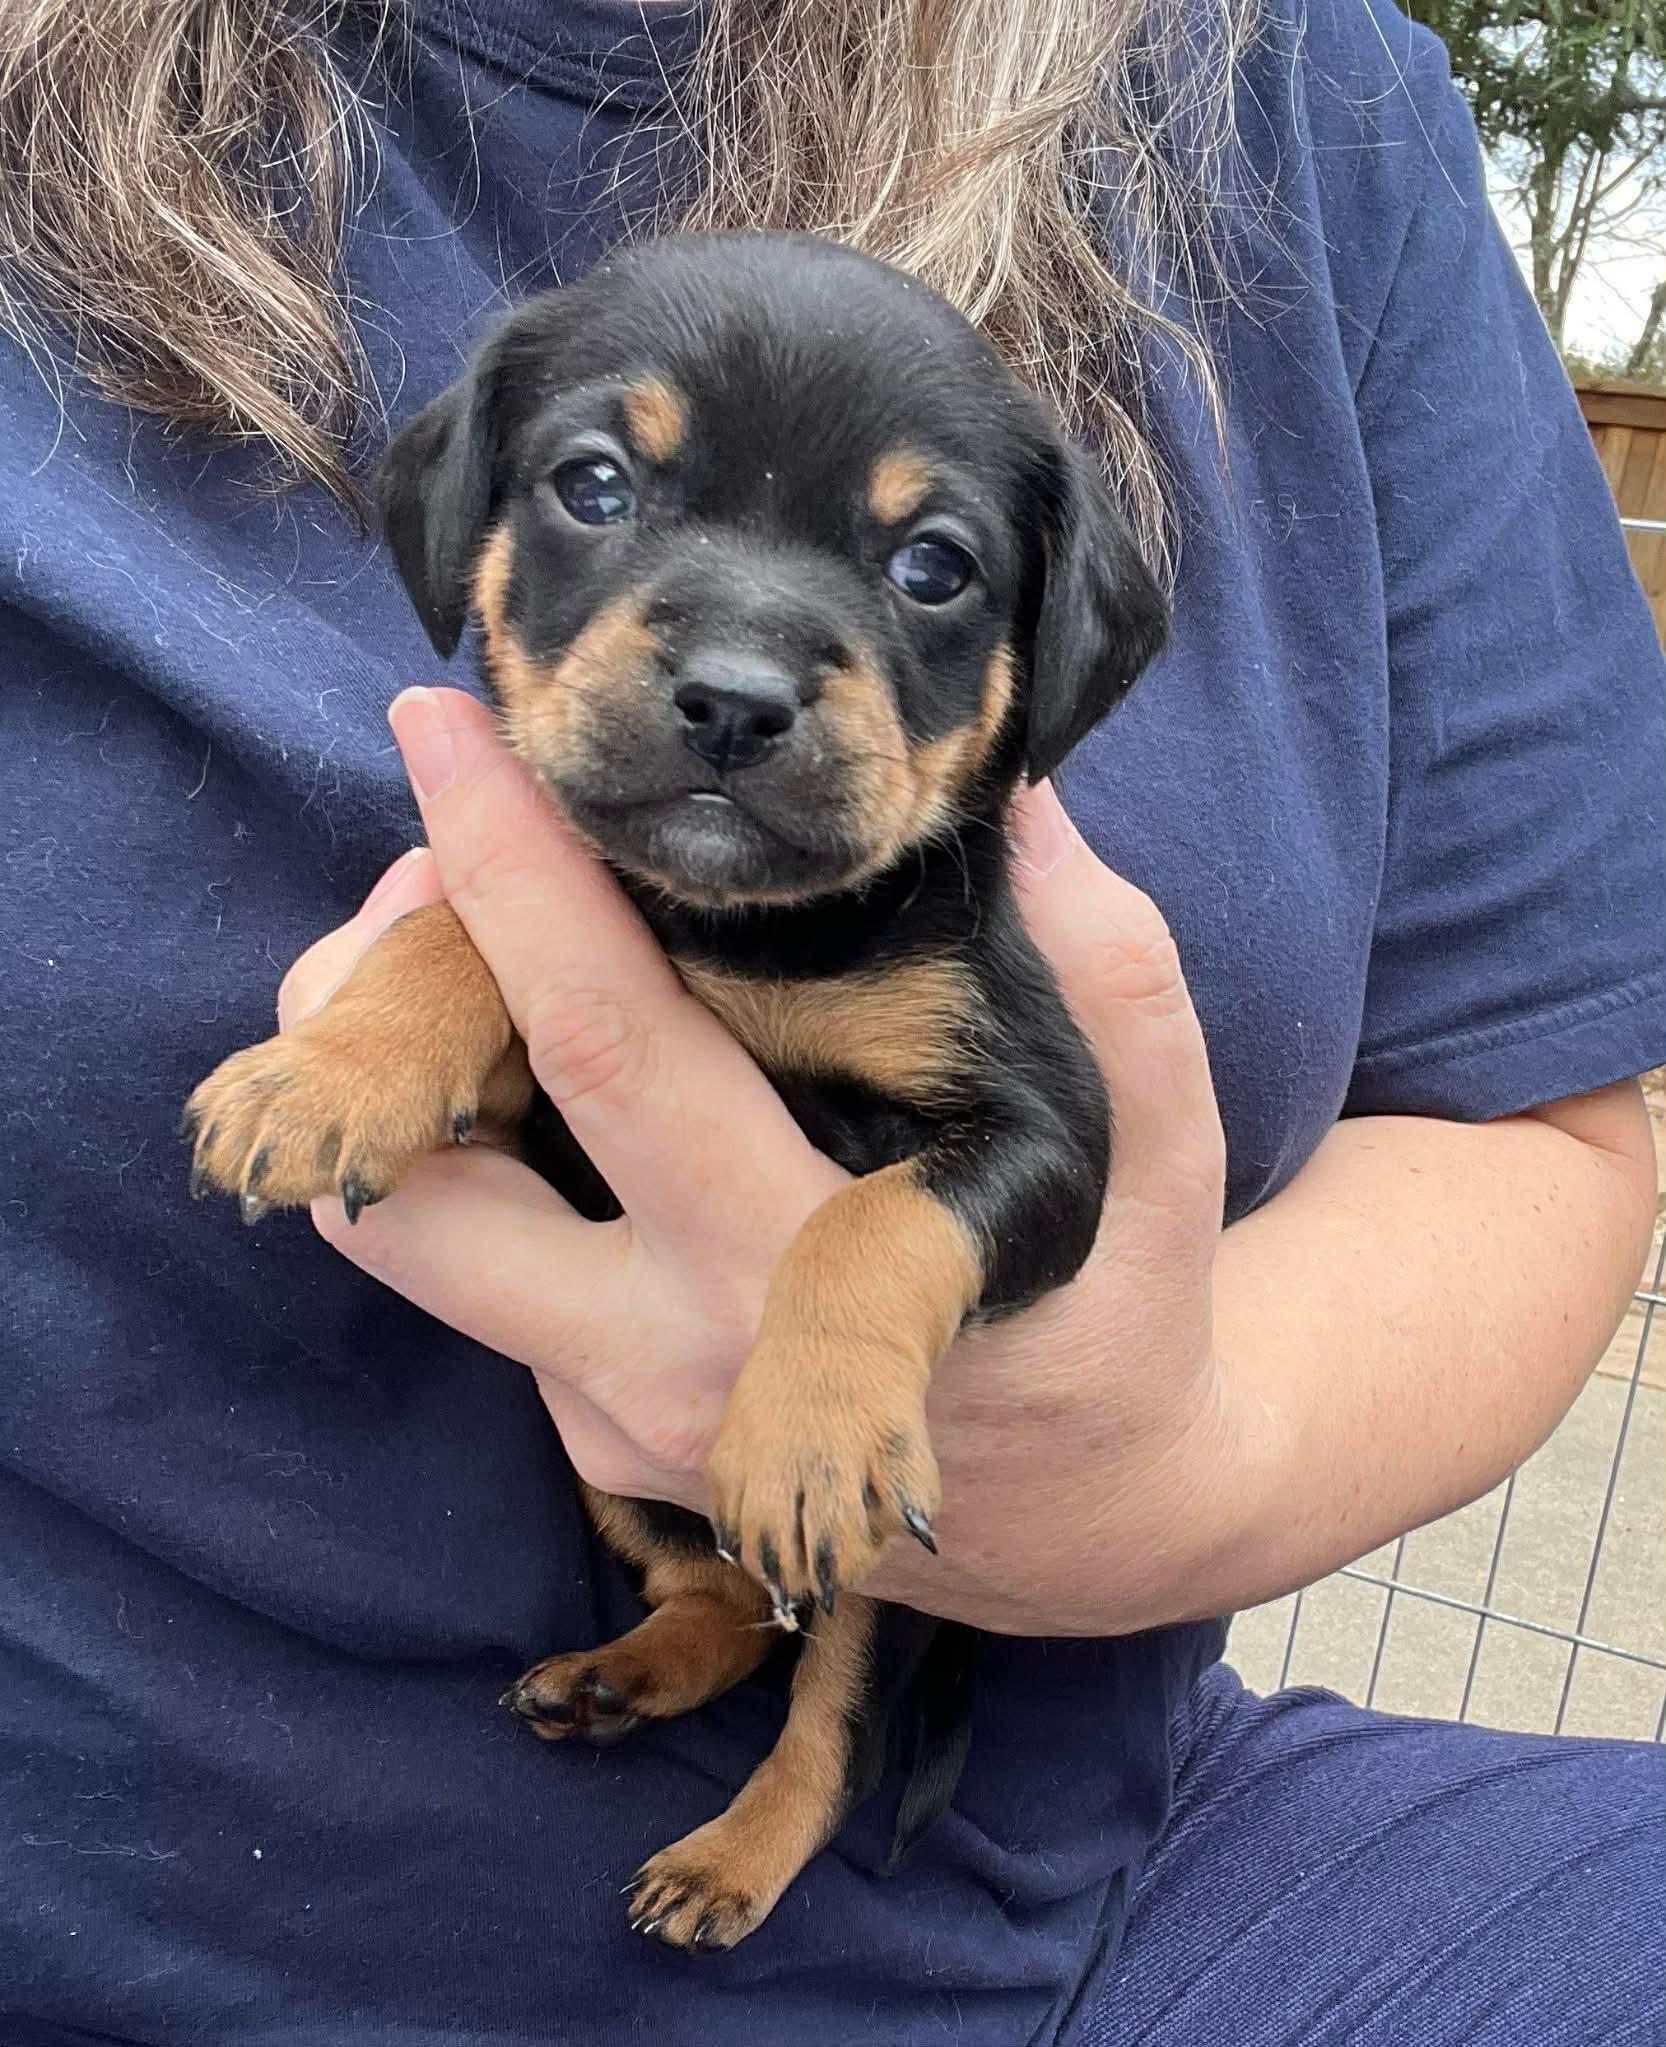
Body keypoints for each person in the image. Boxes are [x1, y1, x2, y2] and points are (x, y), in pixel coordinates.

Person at [1, 0, 1662, 2040]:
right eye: (607, 485)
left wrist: (1115, 1462)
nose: (734, 671)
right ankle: (700, 1611)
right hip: (112, 1920)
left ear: (1039, 675)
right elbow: (487, 979)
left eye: (925, 568)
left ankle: (798, 1769)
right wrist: (391, 1038)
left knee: (873, 1593)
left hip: (1066, 1896)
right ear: (469, 531)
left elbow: (1064, 1145)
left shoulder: (1306, 89)